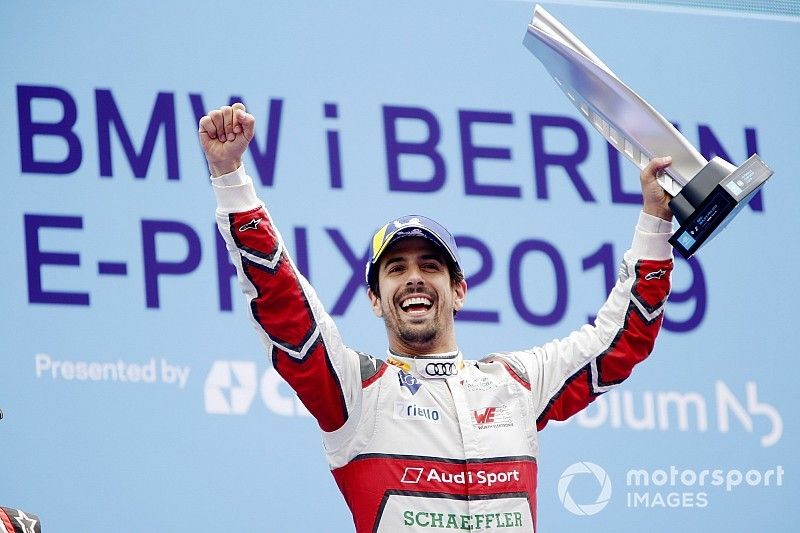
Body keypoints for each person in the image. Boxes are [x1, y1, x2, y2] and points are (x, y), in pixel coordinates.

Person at [199, 103, 674, 532]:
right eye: (396, 269)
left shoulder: (515, 384)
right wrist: (231, 178)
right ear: (375, 299)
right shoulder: (358, 394)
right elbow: (286, 307)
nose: (414, 278)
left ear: (459, 291)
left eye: (430, 266)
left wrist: (655, 218)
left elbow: (620, 340)